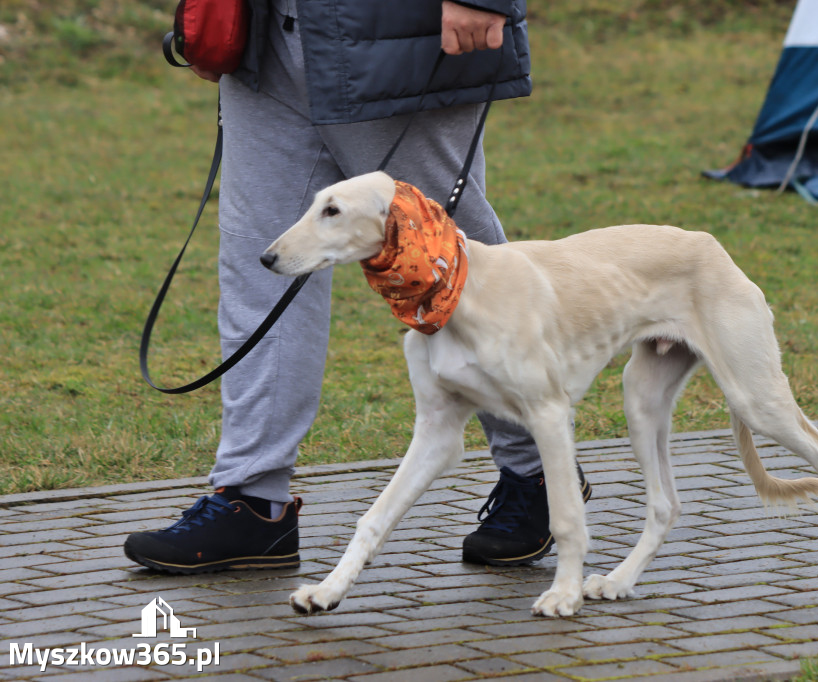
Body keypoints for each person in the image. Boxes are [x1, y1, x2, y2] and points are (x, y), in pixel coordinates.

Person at [124, 0, 590, 574]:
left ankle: (538, 472)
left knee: (452, 257)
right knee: (264, 261)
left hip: (393, 35)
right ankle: (252, 500)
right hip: (266, 37)